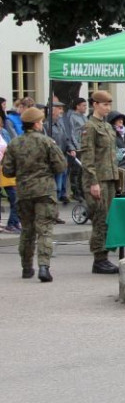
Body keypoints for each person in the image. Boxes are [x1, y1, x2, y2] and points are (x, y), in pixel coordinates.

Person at [1, 106, 66, 282]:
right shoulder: (47, 142)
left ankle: (26, 267)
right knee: (44, 230)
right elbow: (61, 166)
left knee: (27, 230)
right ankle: (44, 267)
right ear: (37, 124)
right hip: (45, 191)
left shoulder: (14, 143)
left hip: (23, 192)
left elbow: (7, 171)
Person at [79, 90, 119, 274]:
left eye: (109, 104)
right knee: (100, 218)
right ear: (94, 104)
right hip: (98, 180)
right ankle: (99, 258)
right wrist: (93, 182)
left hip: (109, 178)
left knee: (108, 218)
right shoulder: (90, 127)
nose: (107, 108)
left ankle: (105, 256)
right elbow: (88, 158)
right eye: (104, 104)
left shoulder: (107, 127)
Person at [62, 97, 88, 201]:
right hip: (77, 147)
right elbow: (71, 132)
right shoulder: (72, 117)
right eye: (83, 105)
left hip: (84, 146)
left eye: (86, 105)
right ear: (77, 106)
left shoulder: (84, 118)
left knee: (83, 171)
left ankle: (82, 191)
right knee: (76, 171)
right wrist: (75, 146)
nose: (85, 108)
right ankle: (75, 191)